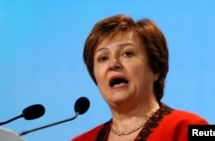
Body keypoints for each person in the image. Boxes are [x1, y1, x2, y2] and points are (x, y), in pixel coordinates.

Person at [72, 14, 208, 141]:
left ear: (155, 69)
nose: (113, 64)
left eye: (127, 53)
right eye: (103, 58)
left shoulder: (190, 127)